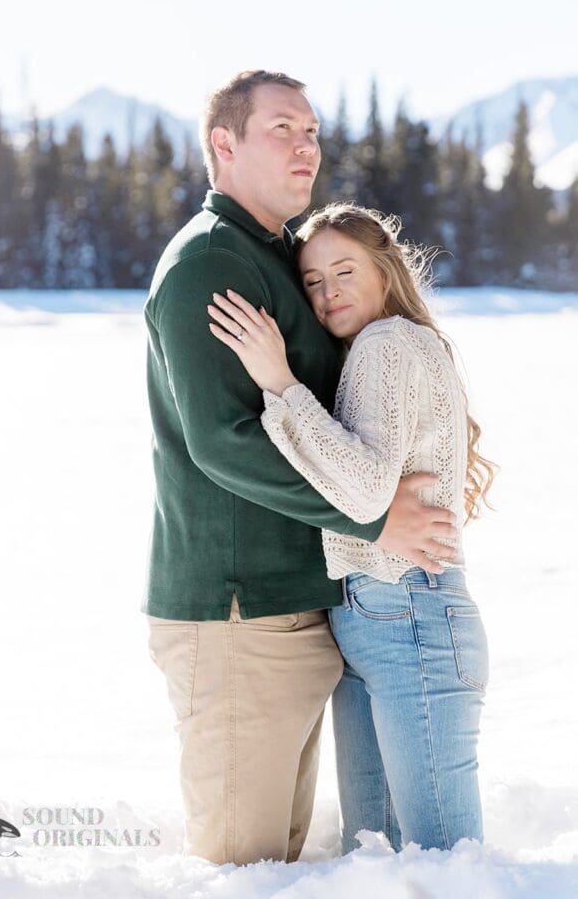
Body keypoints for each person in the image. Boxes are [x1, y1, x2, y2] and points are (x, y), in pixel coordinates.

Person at [143, 70, 457, 866]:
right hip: (237, 612)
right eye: (282, 128)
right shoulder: (210, 263)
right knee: (241, 868)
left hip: (295, 609)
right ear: (224, 144)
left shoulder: (283, 255)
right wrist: (376, 518)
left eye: (312, 130)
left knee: (282, 864)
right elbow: (223, 440)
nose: (306, 146)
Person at [208, 202, 496, 853]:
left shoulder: (385, 344)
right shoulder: (389, 346)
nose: (329, 291)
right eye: (312, 281)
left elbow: (365, 495)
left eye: (345, 270)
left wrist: (278, 382)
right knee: (375, 861)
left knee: (444, 865)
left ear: (386, 270)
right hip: (379, 623)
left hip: (412, 620)